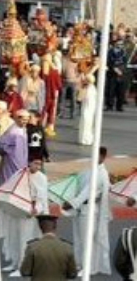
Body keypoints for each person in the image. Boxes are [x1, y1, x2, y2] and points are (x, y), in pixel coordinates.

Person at [62, 146, 112, 275]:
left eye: (98, 155)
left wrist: (72, 203)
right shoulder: (91, 170)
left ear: (103, 157)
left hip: (89, 209)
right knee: (79, 239)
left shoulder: (100, 173)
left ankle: (88, 267)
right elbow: (79, 182)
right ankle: (80, 264)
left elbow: (87, 192)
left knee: (87, 240)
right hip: (81, 208)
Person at [0, 156, 49, 275]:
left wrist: (36, 209)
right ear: (29, 163)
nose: (38, 166)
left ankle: (23, 266)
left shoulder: (41, 178)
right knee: (14, 237)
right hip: (16, 210)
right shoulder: (20, 173)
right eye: (35, 163)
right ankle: (14, 262)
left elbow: (42, 198)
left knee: (24, 239)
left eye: (40, 164)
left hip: (29, 213)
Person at [19, 215, 76, 280]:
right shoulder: (66, 247)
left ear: (40, 227)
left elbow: (25, 272)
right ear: (55, 225)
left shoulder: (33, 247)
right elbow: (72, 274)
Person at [0, 109, 30, 185]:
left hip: (22, 161)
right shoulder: (12, 131)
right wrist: (9, 151)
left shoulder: (23, 129)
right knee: (9, 181)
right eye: (24, 119)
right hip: (11, 162)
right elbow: (1, 144)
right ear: (17, 118)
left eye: (27, 120)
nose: (26, 122)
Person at [77, 74, 97, 145]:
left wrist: (81, 88)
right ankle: (87, 139)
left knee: (85, 123)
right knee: (88, 124)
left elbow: (79, 98)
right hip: (90, 108)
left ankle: (85, 139)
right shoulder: (93, 88)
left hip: (87, 108)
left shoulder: (86, 88)